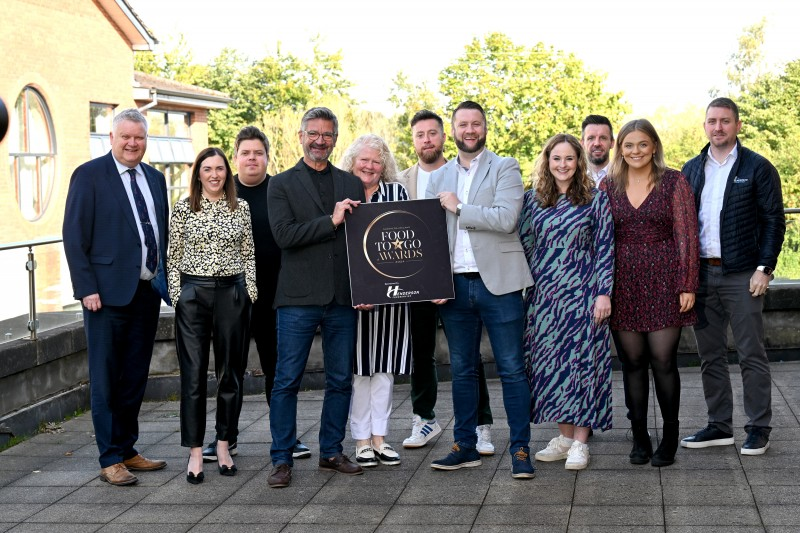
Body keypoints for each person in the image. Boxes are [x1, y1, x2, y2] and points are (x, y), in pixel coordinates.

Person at [426, 101, 535, 479]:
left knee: (512, 369)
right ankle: (464, 446)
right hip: (455, 287)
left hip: (500, 284)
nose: (469, 130)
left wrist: (460, 207)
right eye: (462, 124)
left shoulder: (505, 167)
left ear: (484, 128)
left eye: (476, 124)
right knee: (462, 370)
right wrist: (434, 280)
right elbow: (432, 236)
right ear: (452, 130)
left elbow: (507, 220)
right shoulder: (439, 177)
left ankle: (521, 450)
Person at [63, 108, 168, 486]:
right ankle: (109, 458)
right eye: (125, 136)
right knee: (106, 378)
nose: (132, 143)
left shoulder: (155, 178)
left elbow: (161, 233)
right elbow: (74, 237)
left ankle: (127, 449)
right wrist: (86, 287)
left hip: (146, 292)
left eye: (138, 137)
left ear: (145, 140)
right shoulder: (89, 176)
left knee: (134, 377)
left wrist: (164, 278)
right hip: (104, 297)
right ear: (111, 138)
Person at [266, 107, 367, 488]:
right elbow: (284, 236)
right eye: (313, 133)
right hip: (297, 299)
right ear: (301, 136)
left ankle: (331, 452)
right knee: (286, 381)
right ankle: (281, 459)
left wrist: (366, 288)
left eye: (327, 134)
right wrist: (331, 221)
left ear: (335, 139)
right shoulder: (281, 184)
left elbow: (361, 246)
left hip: (343, 298)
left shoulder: (351, 184)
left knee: (341, 379)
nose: (319, 140)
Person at [680, 97, 785, 455]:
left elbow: (773, 220)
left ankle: (758, 428)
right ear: (705, 125)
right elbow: (682, 225)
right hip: (702, 277)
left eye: (725, 121)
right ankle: (719, 426)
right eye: (712, 121)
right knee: (709, 356)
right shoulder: (691, 169)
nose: (718, 127)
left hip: (742, 275)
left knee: (751, 354)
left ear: (738, 125)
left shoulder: (758, 167)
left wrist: (764, 268)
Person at [200, 127, 310, 462]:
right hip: (230, 299)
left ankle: (286, 439)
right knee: (228, 371)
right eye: (245, 153)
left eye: (258, 153)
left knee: (279, 373)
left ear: (267, 157)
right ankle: (225, 439)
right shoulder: (219, 191)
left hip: (276, 298)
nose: (252, 159)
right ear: (235, 157)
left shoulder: (282, 190)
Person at [600, 119, 699, 467]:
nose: (636, 151)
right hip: (622, 282)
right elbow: (600, 238)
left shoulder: (674, 181)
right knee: (633, 363)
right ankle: (640, 437)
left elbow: (687, 234)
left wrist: (687, 283)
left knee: (663, 362)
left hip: (665, 280)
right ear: (619, 149)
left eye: (643, 144)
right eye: (629, 145)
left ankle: (669, 437)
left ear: (654, 146)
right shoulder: (608, 186)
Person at [396, 110, 495, 454]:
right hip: (419, 280)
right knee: (421, 352)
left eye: (432, 133)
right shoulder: (400, 180)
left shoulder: (464, 173)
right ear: (414, 141)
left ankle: (481, 423)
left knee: (467, 356)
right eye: (420, 134)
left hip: (457, 276)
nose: (427, 139)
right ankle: (424, 417)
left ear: (444, 136)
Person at [519, 134, 614, 471]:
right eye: (556, 158)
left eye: (569, 159)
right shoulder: (533, 200)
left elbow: (605, 247)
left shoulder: (594, 199)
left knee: (583, 366)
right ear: (547, 161)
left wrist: (604, 292)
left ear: (579, 161)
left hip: (585, 295)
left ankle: (580, 443)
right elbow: (525, 246)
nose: (562, 165)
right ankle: (563, 437)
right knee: (550, 368)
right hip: (545, 297)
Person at [167, 147, 256, 483]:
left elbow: (249, 254)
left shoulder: (240, 208)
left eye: (220, 169)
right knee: (192, 377)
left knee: (230, 374)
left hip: (232, 294)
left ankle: (222, 444)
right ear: (198, 173)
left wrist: (250, 293)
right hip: (193, 295)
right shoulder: (183, 208)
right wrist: (178, 296)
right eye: (208, 169)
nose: (215, 175)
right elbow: (172, 257)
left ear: (227, 173)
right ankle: (194, 452)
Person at [339, 134, 412, 467]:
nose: (369, 166)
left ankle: (381, 438)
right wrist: (356, 291)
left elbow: (406, 243)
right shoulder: (340, 192)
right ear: (353, 160)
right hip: (351, 298)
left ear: (385, 165)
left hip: (390, 299)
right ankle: (361, 440)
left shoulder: (397, 193)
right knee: (358, 371)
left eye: (376, 161)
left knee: (384, 369)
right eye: (364, 159)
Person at [581, 115, 614, 185]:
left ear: (612, 143)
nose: (597, 143)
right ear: (582, 143)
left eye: (603, 138)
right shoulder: (572, 178)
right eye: (591, 138)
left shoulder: (624, 177)